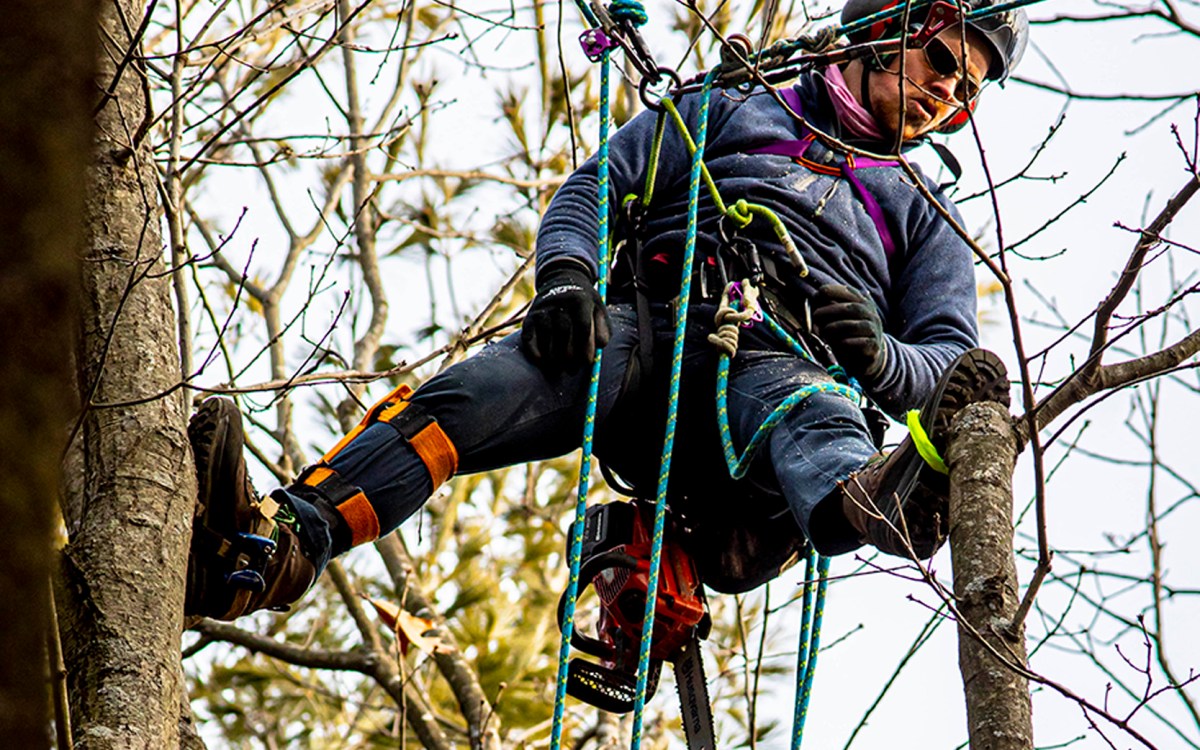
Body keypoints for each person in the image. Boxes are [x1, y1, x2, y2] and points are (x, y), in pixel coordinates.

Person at [185, 0, 1027, 621]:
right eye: (944, 64)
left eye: (969, 94)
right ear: (885, 29)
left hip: (776, 385)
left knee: (816, 416)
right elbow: (600, 184)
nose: (949, 97)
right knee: (465, 400)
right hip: (646, 330)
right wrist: (565, 280)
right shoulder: (731, 106)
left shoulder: (924, 210)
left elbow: (950, 364)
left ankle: (879, 503)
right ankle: (278, 544)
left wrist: (878, 357)